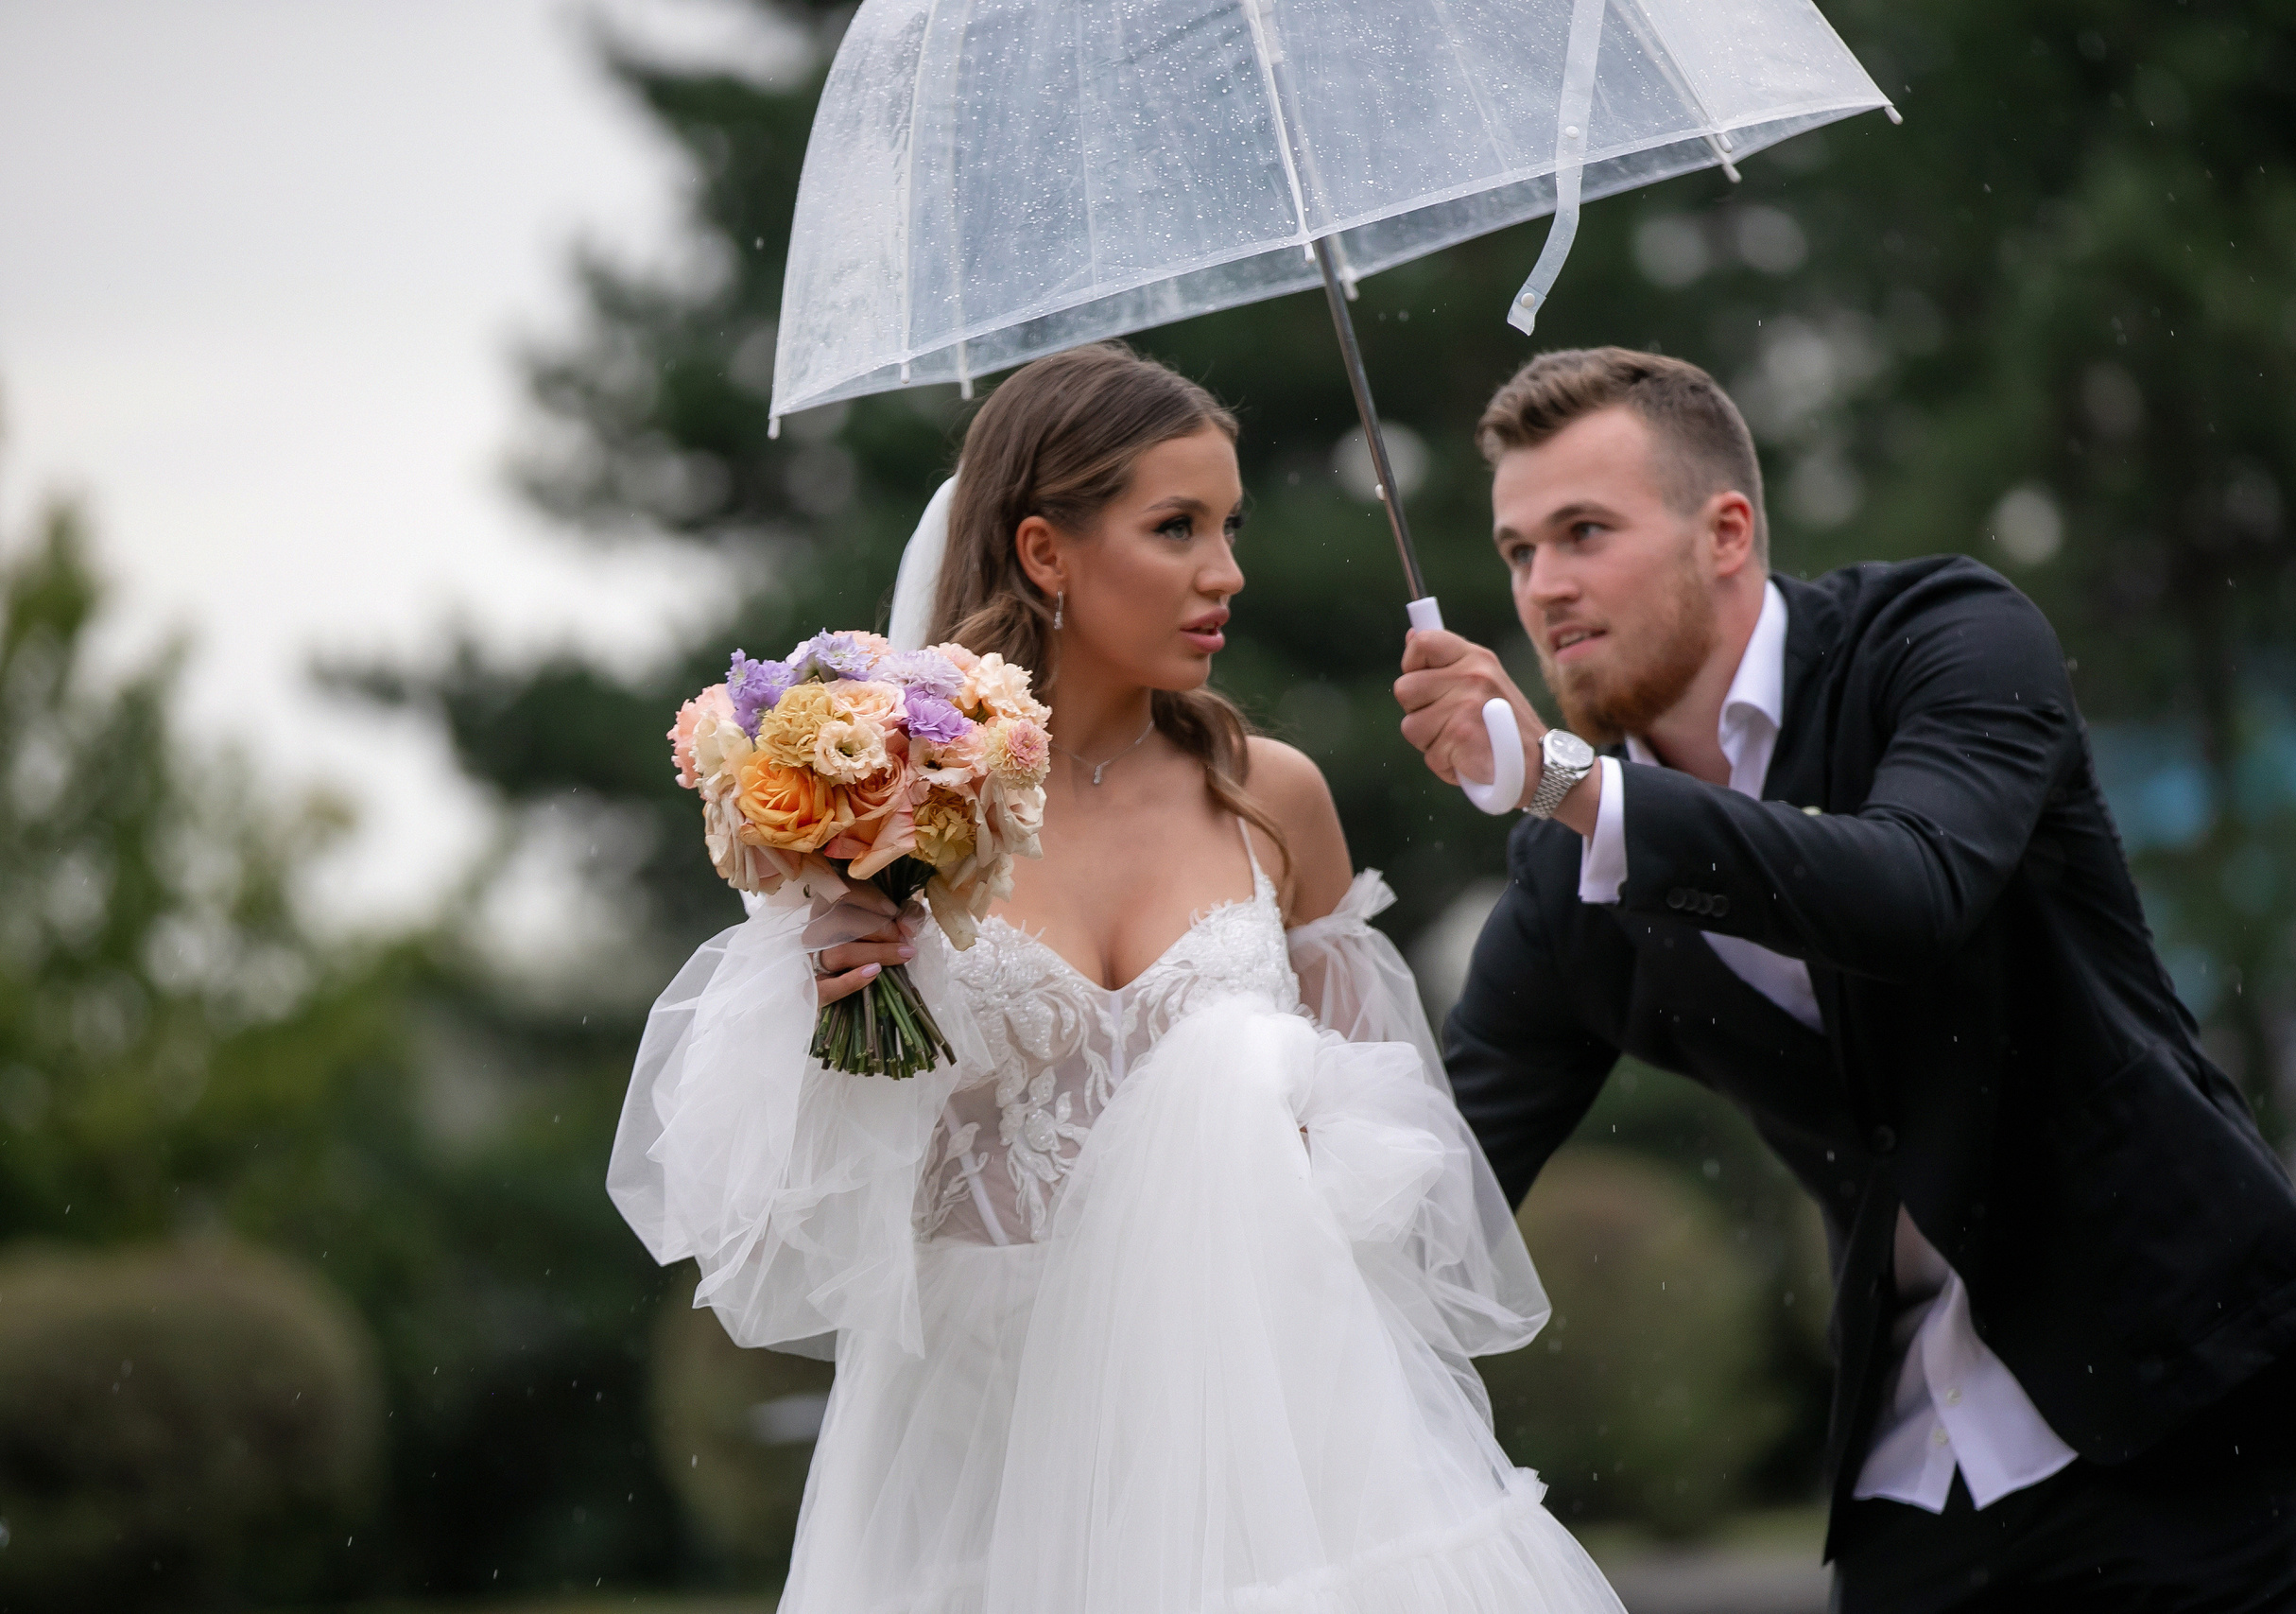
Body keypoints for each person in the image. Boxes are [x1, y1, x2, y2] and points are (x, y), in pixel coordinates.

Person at [610, 343, 1627, 1614]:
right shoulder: (890, 822)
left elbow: (1380, 1160)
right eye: (1177, 528)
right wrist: (837, 1004)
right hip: (985, 1449)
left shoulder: (1277, 799)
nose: (1228, 573)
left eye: (1232, 526)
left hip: (1268, 1448)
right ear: (1046, 552)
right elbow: (801, 1220)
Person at [1393, 346, 2296, 1613]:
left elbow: (1911, 891)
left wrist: (1568, 782)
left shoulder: (1948, 637)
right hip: (1916, 1464)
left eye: (1584, 531)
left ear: (1727, 531)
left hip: (2182, 1377)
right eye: (1519, 551)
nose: (1544, 588)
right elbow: (1450, 1192)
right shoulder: (1562, 884)